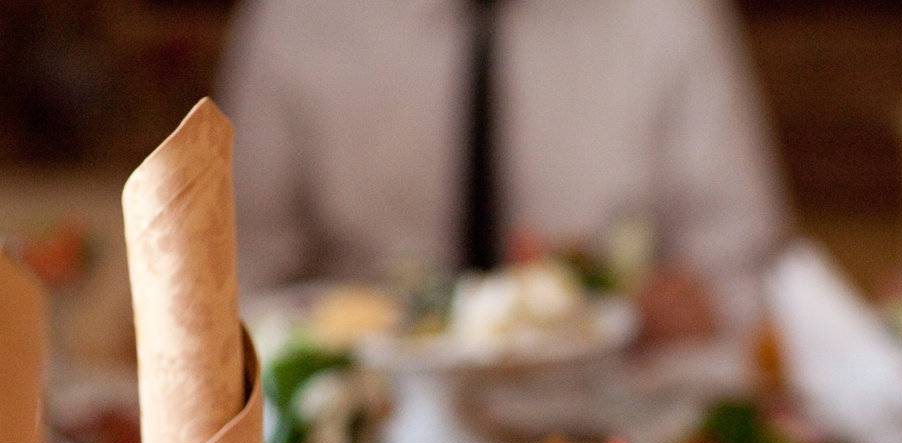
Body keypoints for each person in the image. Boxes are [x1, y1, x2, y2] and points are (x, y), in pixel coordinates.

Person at [219, 0, 788, 343]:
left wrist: (702, 306)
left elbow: (755, 275)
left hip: (615, 428)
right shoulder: (297, 20)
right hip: (363, 438)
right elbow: (237, 276)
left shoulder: (666, 17)